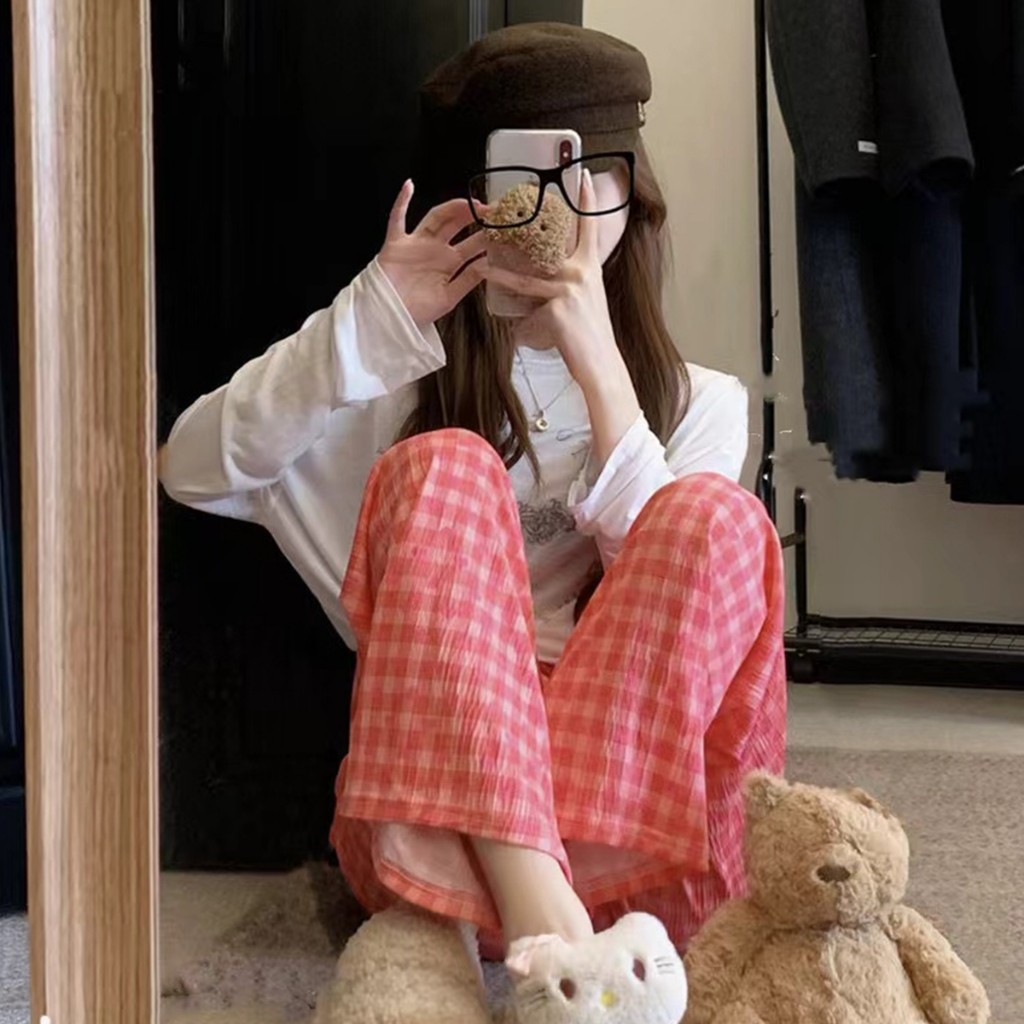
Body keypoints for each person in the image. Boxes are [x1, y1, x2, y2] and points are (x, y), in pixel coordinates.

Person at [160, 20, 785, 1019]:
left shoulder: (702, 402)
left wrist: (597, 360)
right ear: (473, 197)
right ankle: (546, 917)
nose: (558, 208)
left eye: (590, 173)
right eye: (524, 177)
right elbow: (188, 468)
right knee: (446, 465)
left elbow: (679, 612)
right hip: (434, 834)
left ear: (632, 196)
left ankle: (551, 928)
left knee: (716, 518)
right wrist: (369, 318)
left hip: (643, 842)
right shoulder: (387, 381)